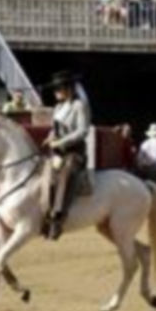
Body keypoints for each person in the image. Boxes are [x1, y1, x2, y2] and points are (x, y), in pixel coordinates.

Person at [43, 71, 91, 240]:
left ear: (68, 89)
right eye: (55, 88)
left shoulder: (79, 105)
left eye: (59, 88)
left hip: (74, 152)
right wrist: (49, 137)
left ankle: (58, 217)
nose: (56, 91)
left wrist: (61, 142)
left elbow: (82, 130)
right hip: (57, 151)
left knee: (66, 173)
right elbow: (54, 128)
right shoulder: (57, 107)